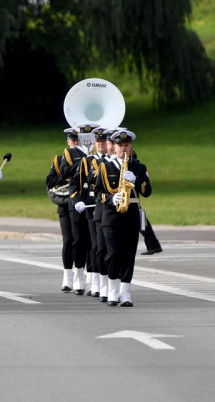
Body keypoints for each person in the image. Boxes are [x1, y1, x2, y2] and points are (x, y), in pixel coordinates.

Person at [95, 129, 152, 306]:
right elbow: (98, 194)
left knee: (129, 254)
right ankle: (113, 291)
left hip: (131, 215)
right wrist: (112, 198)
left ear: (131, 146)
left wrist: (136, 180)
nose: (123, 148)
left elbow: (147, 192)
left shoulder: (139, 167)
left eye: (126, 145)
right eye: (120, 145)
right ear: (115, 147)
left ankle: (125, 293)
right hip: (111, 216)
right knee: (113, 253)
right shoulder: (106, 166)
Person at [58, 124, 97, 294]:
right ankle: (78, 275)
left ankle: (92, 276)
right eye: (84, 136)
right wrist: (84, 162)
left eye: (91, 136)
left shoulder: (99, 153)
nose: (87, 139)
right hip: (78, 201)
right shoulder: (71, 153)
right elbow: (64, 173)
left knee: (94, 242)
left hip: (94, 201)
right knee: (78, 239)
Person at [70, 127, 109, 297]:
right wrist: (77, 200)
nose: (100, 144)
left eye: (103, 141)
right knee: (96, 245)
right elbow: (75, 184)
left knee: (109, 246)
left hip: (111, 206)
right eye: (98, 141)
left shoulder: (114, 161)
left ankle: (109, 280)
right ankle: (95, 281)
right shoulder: (88, 161)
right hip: (93, 206)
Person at [45, 128, 77, 292]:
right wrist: (68, 175)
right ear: (68, 142)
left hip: (83, 205)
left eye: (78, 140)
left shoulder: (89, 159)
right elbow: (50, 181)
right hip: (65, 205)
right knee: (68, 241)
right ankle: (67, 276)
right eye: (73, 140)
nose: (75, 143)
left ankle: (86, 275)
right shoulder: (59, 160)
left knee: (85, 241)